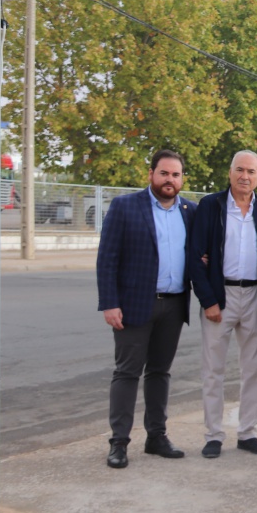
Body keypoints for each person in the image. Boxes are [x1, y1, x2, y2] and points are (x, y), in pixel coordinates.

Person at [96, 149, 198, 468]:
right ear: (151, 174)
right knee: (127, 373)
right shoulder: (125, 207)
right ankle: (119, 443)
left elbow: (199, 253)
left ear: (182, 179)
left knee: (159, 373)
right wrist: (109, 303)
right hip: (133, 307)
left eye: (176, 175)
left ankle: (156, 437)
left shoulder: (189, 211)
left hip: (174, 304)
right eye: (164, 173)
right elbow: (107, 259)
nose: (170, 180)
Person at [187, 150, 257, 458]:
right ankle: (213, 435)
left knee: (254, 369)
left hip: (254, 297)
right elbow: (194, 255)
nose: (245, 176)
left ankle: (247, 433)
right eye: (239, 169)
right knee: (213, 369)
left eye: (251, 171)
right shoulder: (211, 206)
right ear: (229, 173)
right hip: (220, 296)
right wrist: (208, 300)